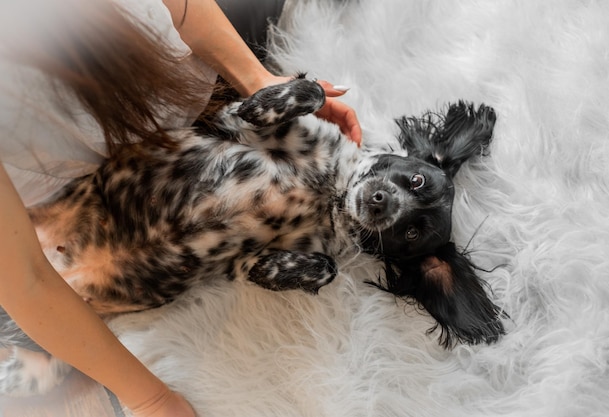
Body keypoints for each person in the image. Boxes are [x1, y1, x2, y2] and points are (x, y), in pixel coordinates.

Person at [0, 0, 362, 416]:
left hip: (185, 92)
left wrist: (257, 79)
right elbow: (27, 281)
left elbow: (184, 9)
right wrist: (150, 399)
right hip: (77, 201)